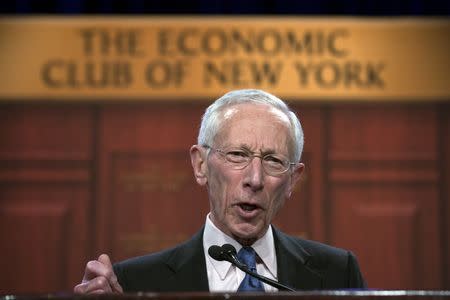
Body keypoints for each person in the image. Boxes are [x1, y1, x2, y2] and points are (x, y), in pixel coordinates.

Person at [74, 89, 366, 294]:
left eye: (274, 161)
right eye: (237, 154)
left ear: (292, 179)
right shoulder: (136, 283)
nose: (255, 178)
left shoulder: (337, 273)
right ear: (200, 164)